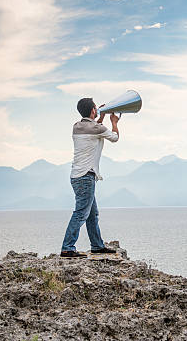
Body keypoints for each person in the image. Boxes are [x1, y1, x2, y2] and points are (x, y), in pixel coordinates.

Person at [60, 97, 120, 258]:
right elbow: (114, 137)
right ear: (93, 110)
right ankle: (67, 248)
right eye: (95, 108)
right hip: (86, 177)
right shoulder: (95, 128)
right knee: (81, 213)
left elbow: (95, 129)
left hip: (77, 177)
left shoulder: (77, 126)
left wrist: (100, 117)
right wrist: (114, 121)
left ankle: (97, 246)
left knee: (92, 214)